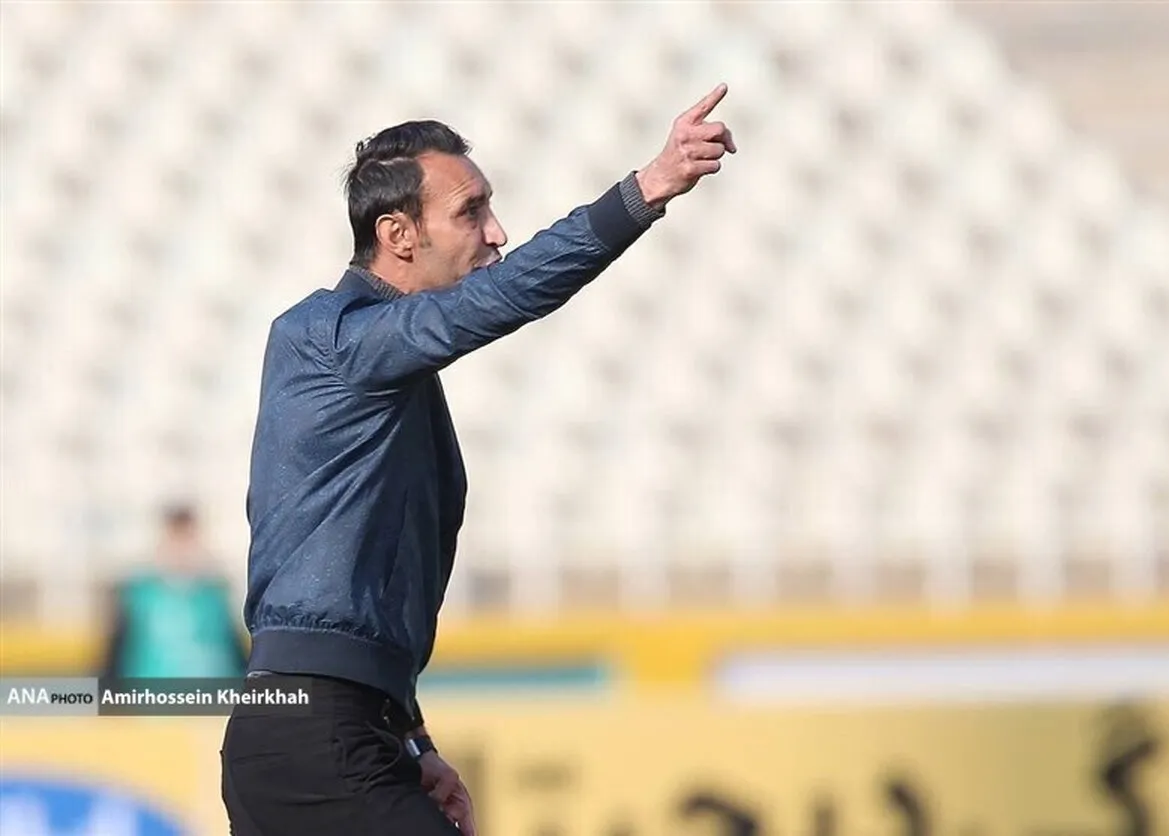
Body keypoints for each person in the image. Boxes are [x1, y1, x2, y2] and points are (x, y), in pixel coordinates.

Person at [220, 84, 736, 835]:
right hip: (314, 738)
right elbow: (503, 296)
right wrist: (647, 188)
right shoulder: (335, 339)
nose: (496, 233)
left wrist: (410, 737)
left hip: (331, 728)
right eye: (471, 212)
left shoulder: (378, 367)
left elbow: (356, 583)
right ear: (398, 234)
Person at [102, 504, 247, 680]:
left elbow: (235, 652)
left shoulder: (214, 595)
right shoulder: (139, 595)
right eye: (177, 538)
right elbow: (115, 656)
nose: (183, 549)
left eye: (188, 539)